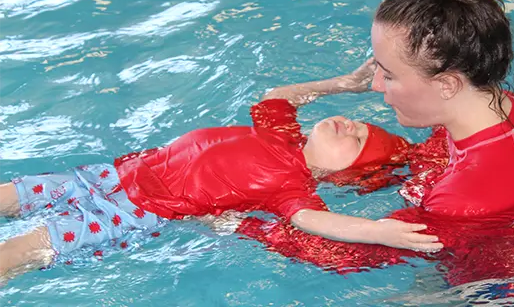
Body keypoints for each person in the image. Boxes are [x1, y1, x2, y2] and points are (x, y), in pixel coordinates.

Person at [222, 0, 514, 285]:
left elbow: (343, 256)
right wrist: (346, 89)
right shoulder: (512, 107)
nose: (378, 85)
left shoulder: (464, 200)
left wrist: (236, 223)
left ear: (447, 83)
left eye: (390, 74)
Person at [0, 60, 442, 282]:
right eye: (360, 124)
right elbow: (281, 94)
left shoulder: (290, 187)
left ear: (345, 175)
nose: (353, 126)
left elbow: (314, 221)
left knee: (25, 247)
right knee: (12, 193)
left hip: (136, 211)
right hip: (114, 174)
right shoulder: (280, 132)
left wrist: (379, 232)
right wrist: (340, 85)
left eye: (359, 142)